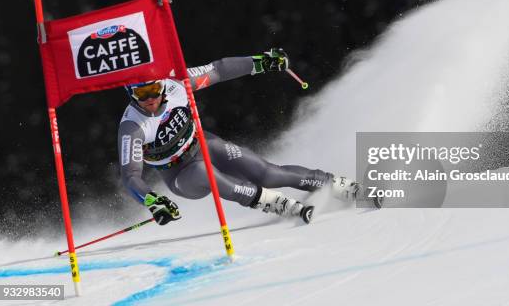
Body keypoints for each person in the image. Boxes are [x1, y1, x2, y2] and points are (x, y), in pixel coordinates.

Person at [118, 48, 363, 225]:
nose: (150, 99)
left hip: (202, 144)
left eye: (153, 90)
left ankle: (336, 185)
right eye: (142, 93)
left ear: (161, 85)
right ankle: (273, 202)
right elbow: (130, 176)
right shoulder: (132, 127)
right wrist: (152, 201)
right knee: (205, 172)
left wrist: (261, 62)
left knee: (267, 173)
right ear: (131, 94)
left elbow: (218, 69)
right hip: (180, 175)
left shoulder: (177, 83)